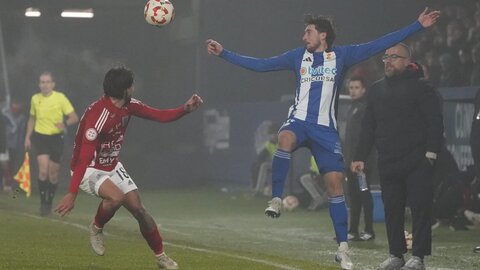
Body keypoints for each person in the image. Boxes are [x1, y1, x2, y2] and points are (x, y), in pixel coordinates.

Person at [207, 8, 439, 270]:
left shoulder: (342, 56)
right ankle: (276, 198)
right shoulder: (297, 57)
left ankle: (343, 248)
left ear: (323, 35)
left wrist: (417, 26)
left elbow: (381, 43)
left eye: (308, 31)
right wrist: (224, 53)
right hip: (300, 121)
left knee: (335, 186)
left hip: (325, 131)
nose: (303, 36)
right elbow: (262, 64)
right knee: (284, 138)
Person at [55, 66, 203, 270]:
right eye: (131, 84)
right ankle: (97, 227)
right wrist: (72, 194)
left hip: (112, 166)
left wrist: (184, 109)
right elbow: (83, 158)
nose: (134, 87)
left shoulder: (129, 105)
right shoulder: (98, 115)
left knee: (139, 210)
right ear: (124, 89)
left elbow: (159, 115)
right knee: (116, 197)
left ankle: (161, 257)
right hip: (88, 168)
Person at [351, 45, 444, 270]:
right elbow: (368, 127)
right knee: (393, 209)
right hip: (388, 160)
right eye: (386, 57)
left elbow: (435, 122)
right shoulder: (376, 90)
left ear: (406, 60)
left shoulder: (422, 87)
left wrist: (430, 154)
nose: (388, 61)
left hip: (417, 160)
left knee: (420, 209)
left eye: (394, 57)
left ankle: (419, 257)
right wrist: (359, 156)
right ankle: (396, 255)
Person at [24, 72, 79, 216]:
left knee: (53, 175)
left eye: (48, 82)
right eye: (42, 82)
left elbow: (74, 117)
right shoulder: (35, 99)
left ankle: (49, 200)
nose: (45, 84)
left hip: (56, 138)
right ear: (39, 84)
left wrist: (65, 123)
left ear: (53, 84)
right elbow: (32, 118)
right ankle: (43, 203)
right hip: (40, 137)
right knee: (43, 170)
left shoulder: (60, 98)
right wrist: (27, 137)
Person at [343, 76, 376, 241]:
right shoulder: (353, 108)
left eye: (356, 87)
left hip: (361, 163)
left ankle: (369, 230)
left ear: (363, 89)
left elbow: (364, 138)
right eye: (351, 87)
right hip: (351, 162)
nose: (353, 90)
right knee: (354, 196)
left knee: (364, 193)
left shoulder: (364, 108)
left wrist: (359, 159)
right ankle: (353, 230)